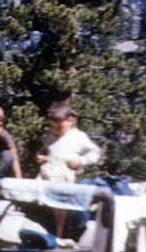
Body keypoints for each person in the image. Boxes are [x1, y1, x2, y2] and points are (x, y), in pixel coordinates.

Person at [37, 102, 102, 239]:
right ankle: (47, 232)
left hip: (66, 175)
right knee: (41, 201)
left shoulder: (77, 136)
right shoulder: (50, 135)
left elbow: (95, 152)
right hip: (49, 173)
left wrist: (80, 161)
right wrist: (43, 158)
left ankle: (59, 235)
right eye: (53, 127)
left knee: (61, 206)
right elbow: (52, 152)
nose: (56, 131)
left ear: (70, 121)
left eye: (60, 128)